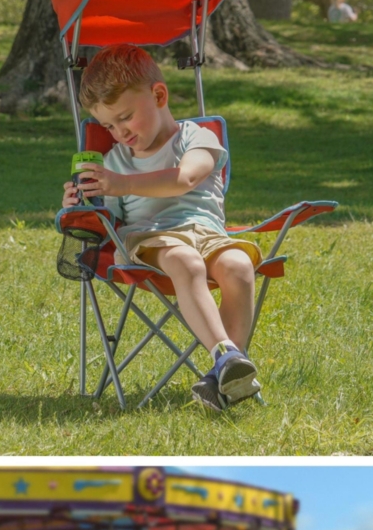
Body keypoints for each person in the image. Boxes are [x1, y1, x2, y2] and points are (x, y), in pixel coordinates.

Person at [62, 45, 262, 412]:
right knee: (186, 261)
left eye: (125, 117)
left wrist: (119, 184)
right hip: (152, 239)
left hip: (209, 232)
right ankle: (225, 355)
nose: (119, 132)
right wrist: (78, 201)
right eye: (108, 126)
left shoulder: (197, 138)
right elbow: (104, 218)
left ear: (158, 95)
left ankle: (225, 373)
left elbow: (185, 178)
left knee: (238, 265)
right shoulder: (114, 161)